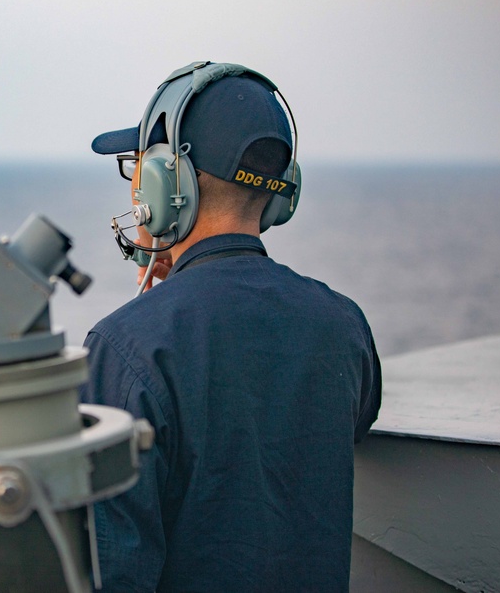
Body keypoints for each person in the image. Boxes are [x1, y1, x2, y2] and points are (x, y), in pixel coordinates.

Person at [80, 61, 382, 592]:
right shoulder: (344, 324)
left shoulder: (125, 346)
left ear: (163, 182)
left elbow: (112, 568)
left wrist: (161, 311)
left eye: (138, 168)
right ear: (283, 193)